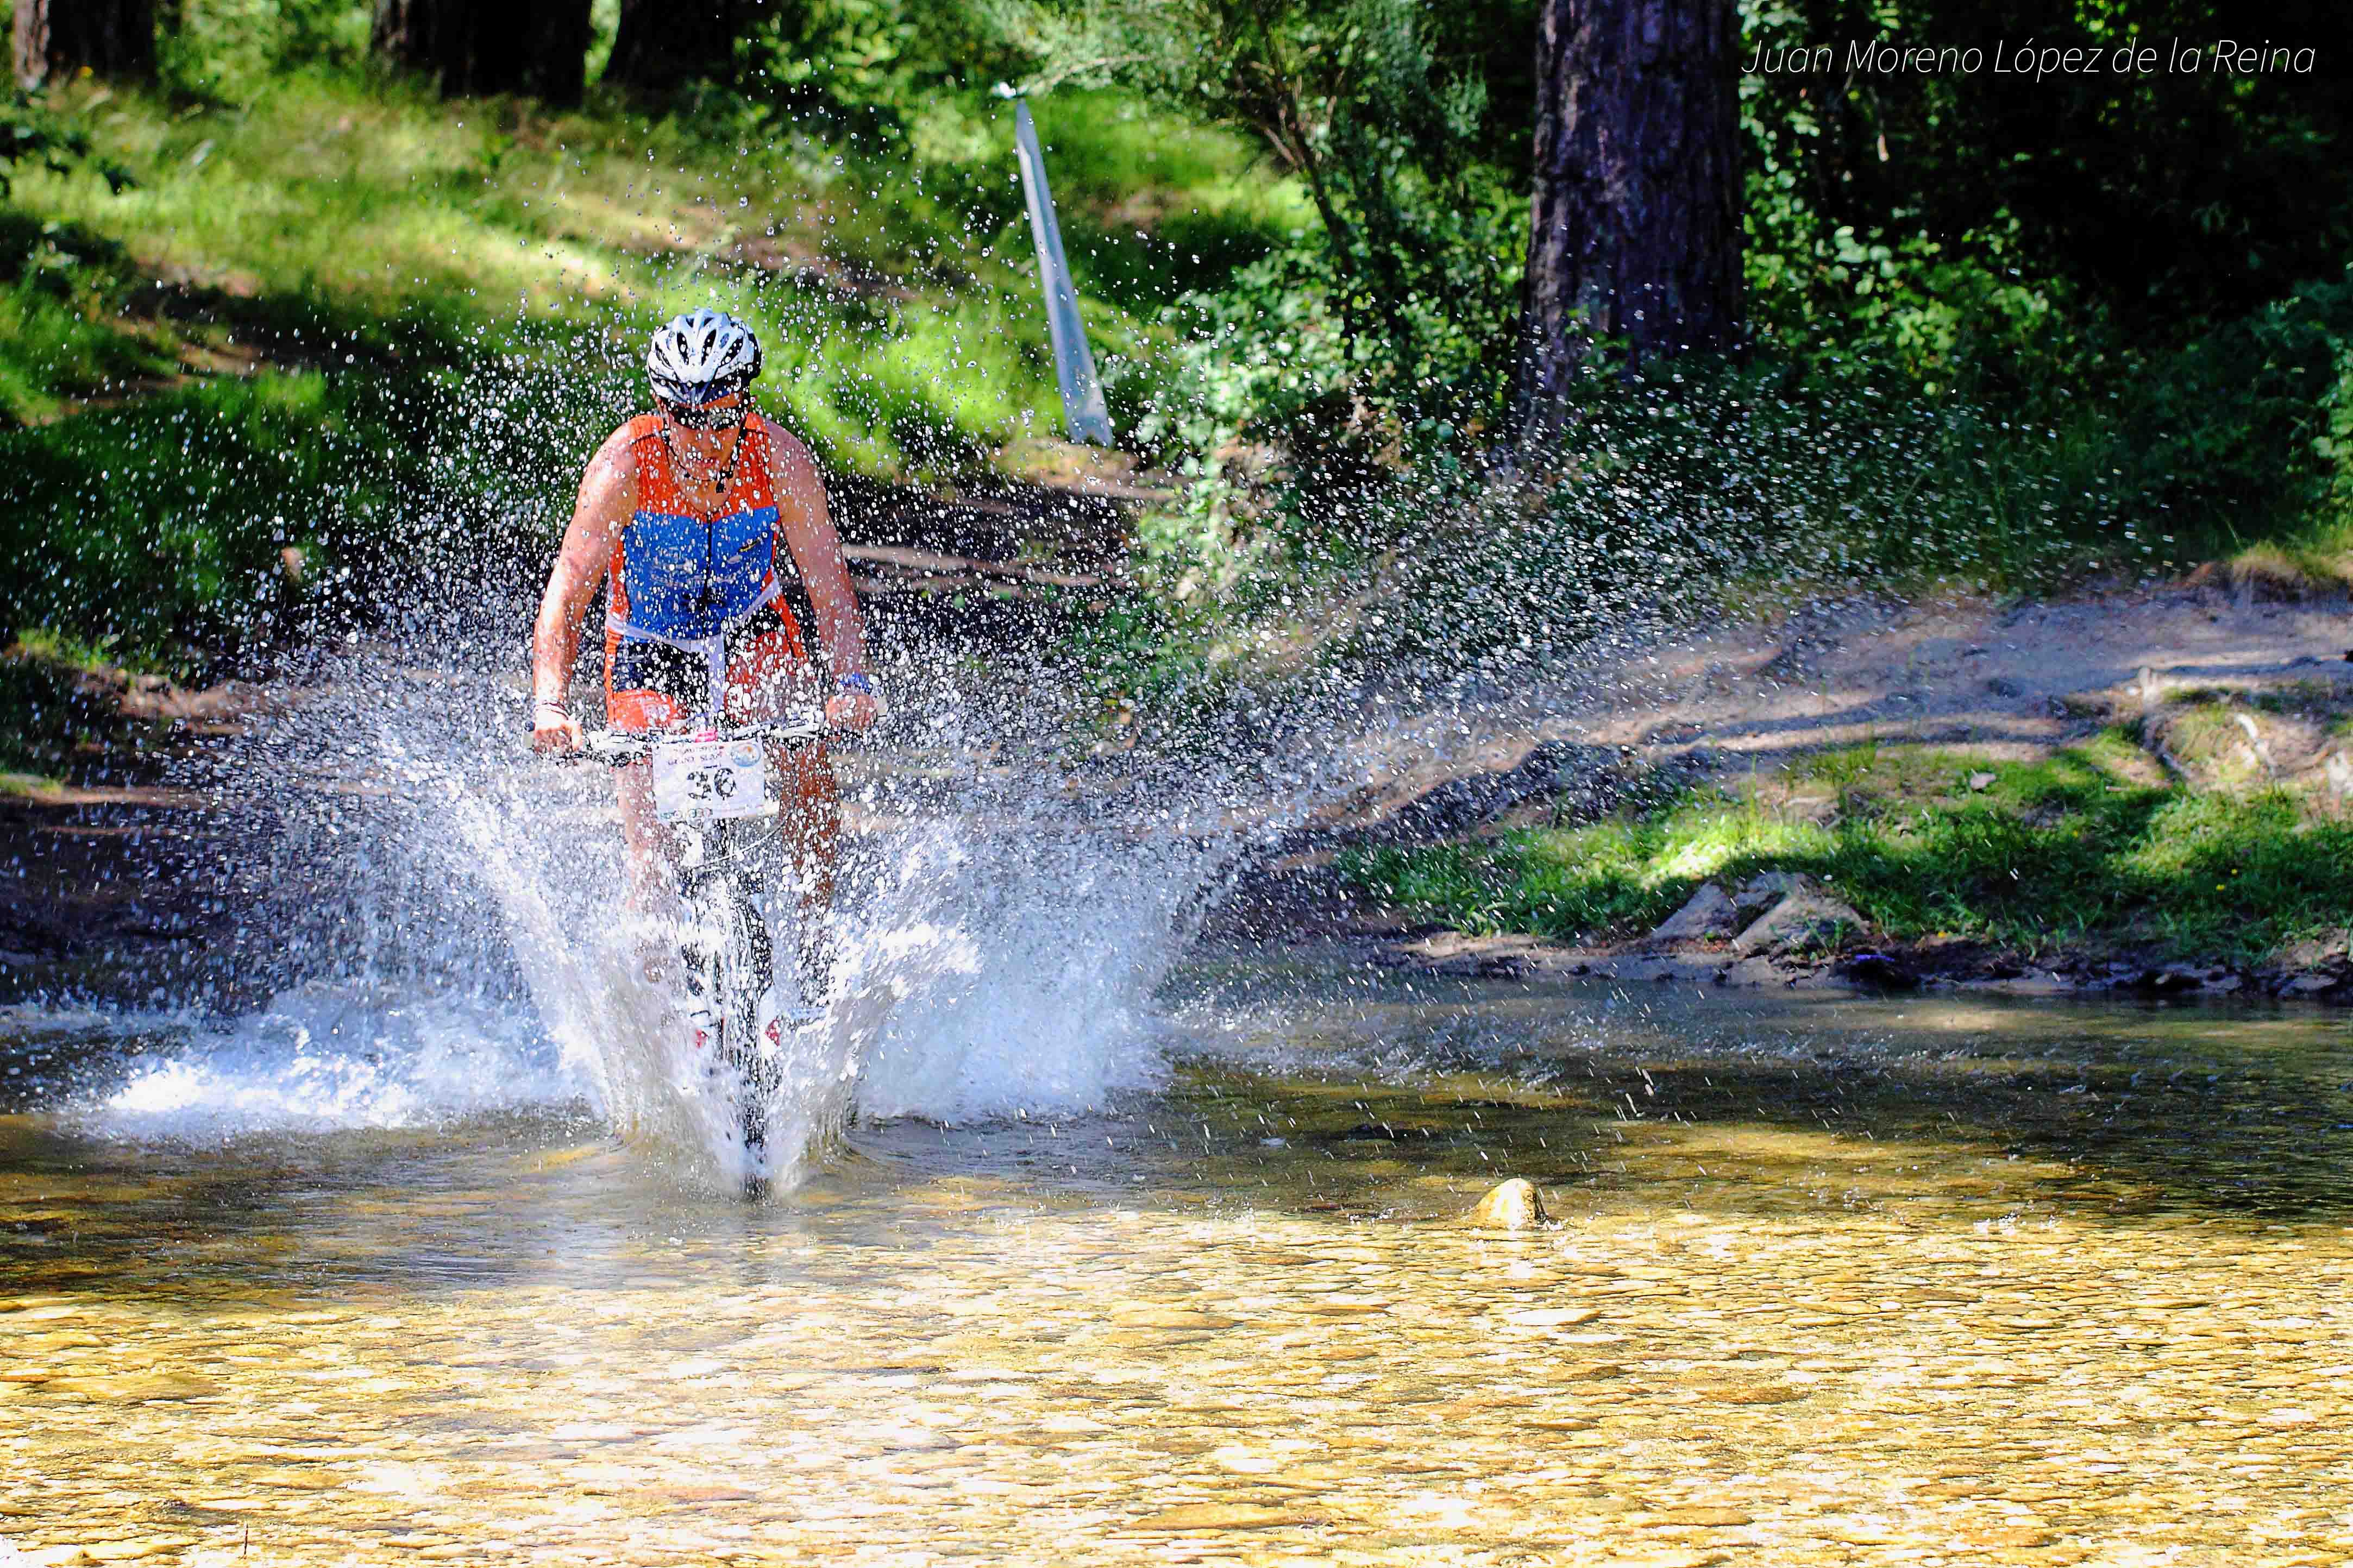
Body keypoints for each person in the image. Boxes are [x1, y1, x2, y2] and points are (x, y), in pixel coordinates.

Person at [529, 308, 879, 1020]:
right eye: (681, 420)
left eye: (717, 420)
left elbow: (827, 583)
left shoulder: (781, 459)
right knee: (650, 852)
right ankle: (657, 1028)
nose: (699, 439)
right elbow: (569, 590)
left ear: (744, 405)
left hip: (752, 629)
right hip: (649, 644)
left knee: (808, 763)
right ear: (661, 409)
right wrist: (550, 703)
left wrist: (850, 685)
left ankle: (817, 935)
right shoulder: (624, 464)